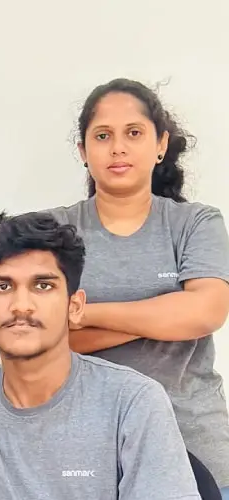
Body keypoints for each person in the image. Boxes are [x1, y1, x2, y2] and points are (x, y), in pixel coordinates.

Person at [0, 211, 200, 499]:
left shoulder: (134, 401)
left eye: (43, 286)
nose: (21, 306)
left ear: (74, 307)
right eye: (3, 287)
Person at [45, 78, 229, 495]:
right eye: (102, 136)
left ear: (160, 144)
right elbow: (42, 336)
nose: (118, 148)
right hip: (85, 451)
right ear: (83, 151)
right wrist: (166, 311)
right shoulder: (52, 230)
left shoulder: (195, 223)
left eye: (133, 133)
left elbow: (206, 312)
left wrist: (84, 314)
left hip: (192, 440)